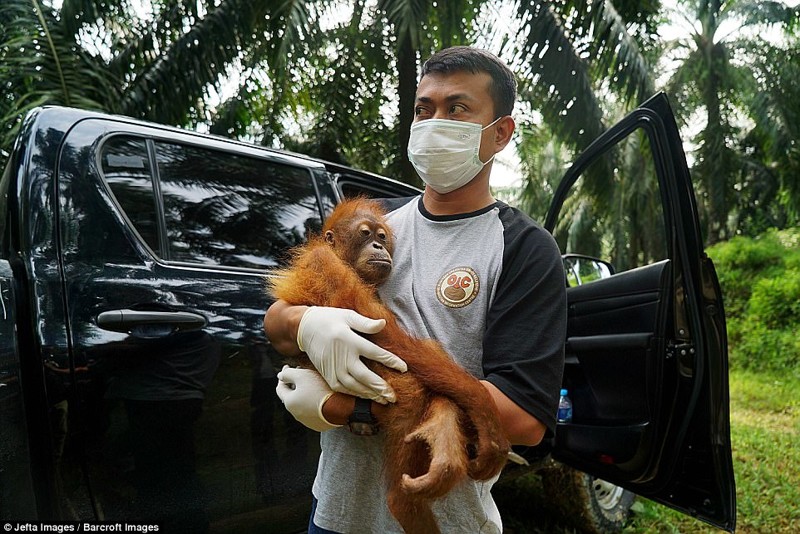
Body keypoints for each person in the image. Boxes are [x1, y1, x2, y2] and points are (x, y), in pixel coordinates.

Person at [264, 45, 567, 533]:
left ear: (501, 134)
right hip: (337, 511)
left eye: (458, 109)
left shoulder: (525, 248)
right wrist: (305, 323)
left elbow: (526, 419)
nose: (434, 121)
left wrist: (347, 408)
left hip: (453, 518)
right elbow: (281, 316)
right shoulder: (375, 221)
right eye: (424, 109)